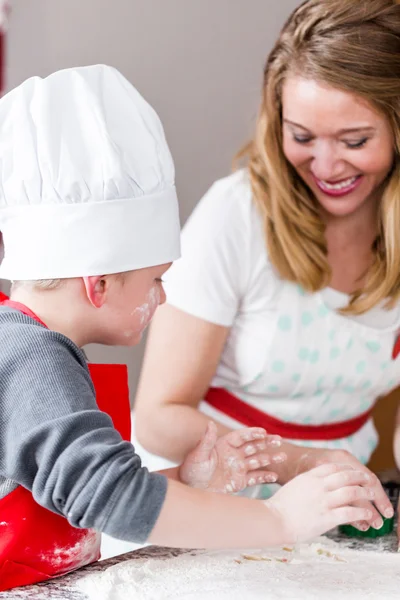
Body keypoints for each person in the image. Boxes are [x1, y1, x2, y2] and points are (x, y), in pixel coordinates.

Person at [0, 64, 375, 592]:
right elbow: (108, 496)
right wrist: (279, 521)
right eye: (155, 279)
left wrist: (186, 482)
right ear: (99, 283)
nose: (163, 296)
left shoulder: (33, 347)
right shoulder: (32, 359)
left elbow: (76, 498)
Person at [134, 0, 398, 535]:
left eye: (355, 141)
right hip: (209, 500)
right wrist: (299, 463)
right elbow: (159, 416)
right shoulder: (234, 219)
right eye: (301, 137)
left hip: (342, 506)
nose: (325, 166)